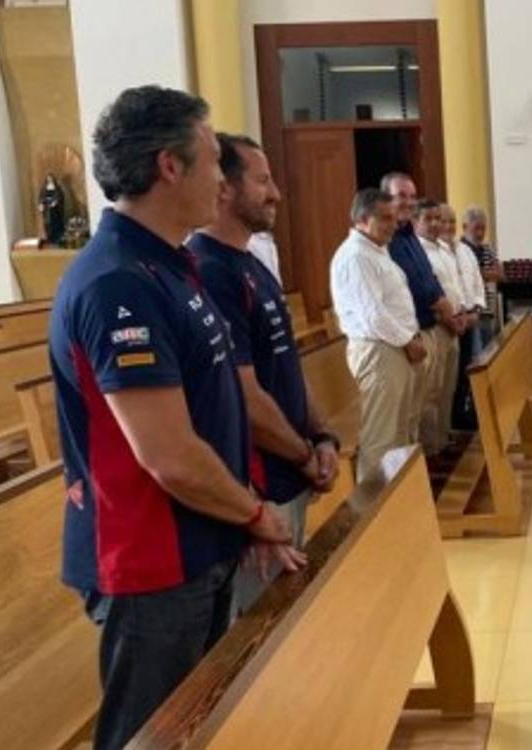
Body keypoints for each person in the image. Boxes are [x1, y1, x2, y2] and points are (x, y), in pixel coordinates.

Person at [48, 85, 304, 749]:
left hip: (198, 542)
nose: (223, 180)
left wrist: (240, 518)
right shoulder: (118, 283)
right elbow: (167, 453)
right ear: (170, 165)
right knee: (149, 736)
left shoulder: (171, 265)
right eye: (214, 160)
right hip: (150, 558)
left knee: (196, 725)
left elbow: (216, 407)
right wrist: (254, 512)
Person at [188, 133, 340, 613]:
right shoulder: (211, 270)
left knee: (283, 614)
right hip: (259, 483)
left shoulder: (253, 266)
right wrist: (301, 456)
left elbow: (286, 367)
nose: (276, 193)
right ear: (225, 189)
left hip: (289, 471)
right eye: (263, 180)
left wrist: (323, 437)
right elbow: (243, 397)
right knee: (257, 633)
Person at [330, 189, 427, 481]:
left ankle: (397, 502)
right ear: (362, 219)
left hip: (394, 347)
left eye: (394, 218)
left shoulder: (376, 251)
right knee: (380, 437)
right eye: (384, 218)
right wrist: (408, 340)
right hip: (379, 350)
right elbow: (373, 315)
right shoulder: (356, 256)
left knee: (399, 431)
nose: (393, 224)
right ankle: (371, 512)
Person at [381, 173, 460, 448]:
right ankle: (417, 468)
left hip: (427, 328)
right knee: (412, 410)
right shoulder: (387, 240)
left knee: (430, 397)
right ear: (385, 198)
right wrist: (444, 309)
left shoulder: (407, 236)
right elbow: (414, 285)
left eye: (412, 196)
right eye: (401, 195)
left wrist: (444, 303)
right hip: (409, 335)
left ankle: (428, 458)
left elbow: (426, 275)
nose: (408, 202)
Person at [416, 200, 472, 456]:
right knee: (432, 391)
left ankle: (444, 437)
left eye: (438, 218)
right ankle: (430, 450)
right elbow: (427, 294)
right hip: (436, 327)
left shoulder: (443, 249)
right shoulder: (419, 252)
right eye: (429, 219)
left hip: (453, 325)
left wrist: (462, 315)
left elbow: (454, 288)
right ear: (416, 221)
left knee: (449, 386)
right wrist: (450, 319)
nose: (435, 224)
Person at [441, 205, 488, 431]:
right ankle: (448, 422)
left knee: (466, 371)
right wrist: (455, 317)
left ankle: (461, 415)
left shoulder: (465, 251)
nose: (448, 226)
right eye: (444, 221)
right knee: (448, 378)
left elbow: (477, 282)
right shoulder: (432, 251)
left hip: (469, 319)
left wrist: (476, 309)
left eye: (452, 221)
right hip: (448, 324)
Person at [459, 206, 504, 339]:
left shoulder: (487, 248)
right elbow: (465, 277)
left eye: (483, 228)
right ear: (465, 227)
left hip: (488, 311)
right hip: (470, 312)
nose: (480, 233)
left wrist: (479, 273)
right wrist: (483, 274)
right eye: (476, 228)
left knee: (489, 351)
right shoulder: (459, 249)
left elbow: (500, 274)